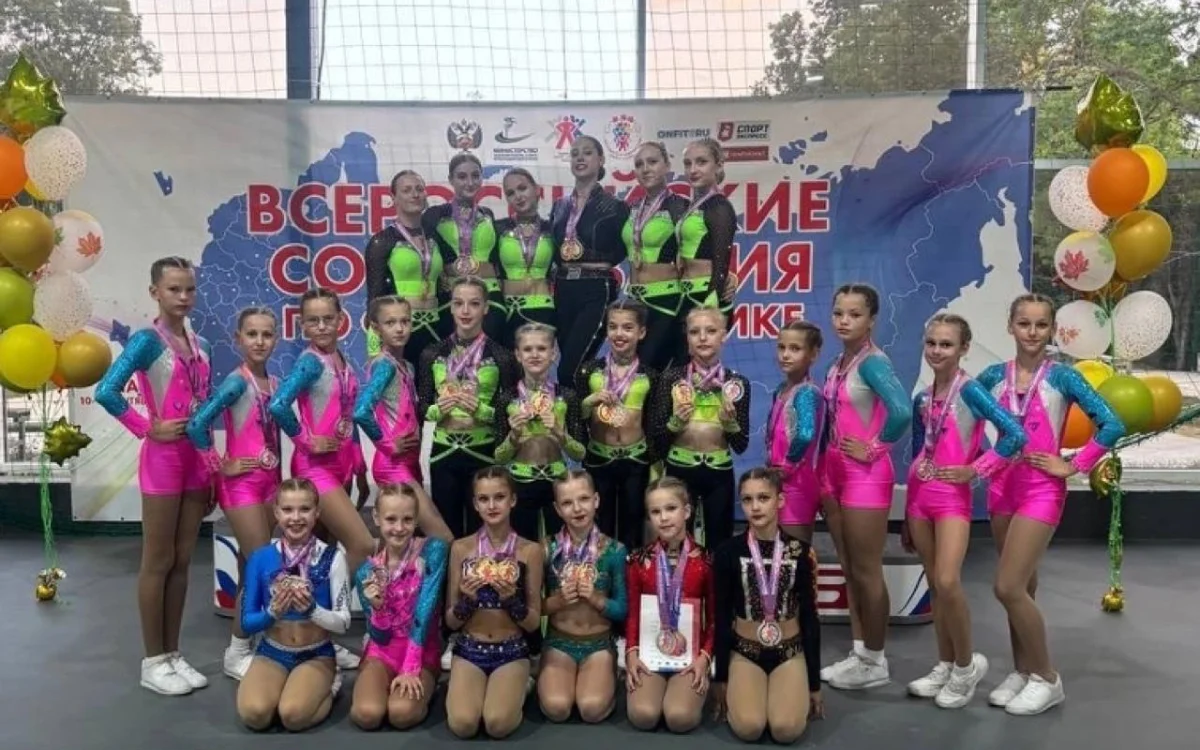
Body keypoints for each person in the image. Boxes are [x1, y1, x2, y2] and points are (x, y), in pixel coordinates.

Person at [976, 293, 1125, 715]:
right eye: (1024, 323)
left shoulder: (1063, 378)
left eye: (1041, 325)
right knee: (1023, 586)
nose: (1032, 332)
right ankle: (1022, 670)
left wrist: (1074, 464)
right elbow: (963, 420)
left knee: (1006, 587)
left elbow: (1113, 423)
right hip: (1002, 488)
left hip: (1041, 490)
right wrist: (978, 464)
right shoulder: (993, 376)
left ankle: (1046, 677)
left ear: (1053, 330)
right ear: (1010, 326)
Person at [95, 256, 215, 695]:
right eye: (173, 289)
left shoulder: (201, 344)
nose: (183, 297)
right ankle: (153, 660)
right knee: (157, 560)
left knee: (182, 560)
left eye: (189, 289)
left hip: (195, 460)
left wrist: (211, 463)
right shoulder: (147, 341)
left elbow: (204, 407)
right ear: (155, 293)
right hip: (163, 459)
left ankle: (173, 653)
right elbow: (107, 390)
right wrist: (147, 427)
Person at [904, 313, 1027, 708]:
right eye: (932, 343)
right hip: (919, 498)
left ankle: (965, 666)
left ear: (964, 349)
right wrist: (906, 510)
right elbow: (918, 451)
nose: (937, 351)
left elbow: (1014, 434)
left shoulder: (971, 391)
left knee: (948, 580)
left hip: (952, 500)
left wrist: (976, 469)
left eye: (946, 344)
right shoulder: (922, 399)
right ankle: (944, 663)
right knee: (934, 585)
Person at [267, 288, 372, 672]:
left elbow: (349, 415)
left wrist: (359, 464)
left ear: (341, 319)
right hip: (315, 468)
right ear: (303, 325)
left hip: (341, 465)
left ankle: (318, 641)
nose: (322, 326)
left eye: (328, 318)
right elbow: (278, 404)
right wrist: (306, 439)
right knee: (362, 544)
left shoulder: (342, 358)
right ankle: (338, 626)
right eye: (313, 320)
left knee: (321, 556)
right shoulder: (310, 363)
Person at [819, 283, 912, 691]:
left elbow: (901, 411)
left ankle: (876, 659)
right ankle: (860, 653)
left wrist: (874, 448)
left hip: (865, 475)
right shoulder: (838, 362)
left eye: (854, 314)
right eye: (839, 313)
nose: (844, 321)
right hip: (836, 471)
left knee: (867, 570)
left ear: (872, 320)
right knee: (850, 568)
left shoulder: (872, 363)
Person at [185, 306, 281, 680]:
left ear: (275, 339)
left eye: (267, 334)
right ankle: (236, 650)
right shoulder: (236, 382)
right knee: (261, 565)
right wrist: (219, 464)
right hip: (241, 486)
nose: (260, 341)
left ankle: (252, 641)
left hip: (270, 482)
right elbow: (197, 424)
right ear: (238, 339)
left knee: (248, 568)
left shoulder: (274, 383)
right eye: (252, 334)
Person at [712, 468, 822, 743]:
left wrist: (814, 683)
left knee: (786, 730)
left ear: (780, 500)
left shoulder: (801, 552)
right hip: (745, 650)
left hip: (789, 650)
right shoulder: (727, 552)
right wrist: (721, 677)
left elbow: (810, 618)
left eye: (763, 498)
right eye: (747, 500)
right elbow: (721, 616)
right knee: (750, 728)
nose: (755, 507)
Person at [236, 478, 351, 731]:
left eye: (305, 509)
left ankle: (331, 685)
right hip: (272, 651)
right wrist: (272, 613)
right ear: (276, 512)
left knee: (293, 716)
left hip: (315, 653)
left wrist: (313, 611)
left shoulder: (333, 558)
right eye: (288, 510)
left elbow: (343, 623)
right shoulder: (260, 558)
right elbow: (247, 622)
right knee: (255, 716)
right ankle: (290, 689)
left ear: (317, 513)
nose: (296, 518)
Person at [444, 467, 544, 739]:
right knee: (463, 725)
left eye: (499, 497)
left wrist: (512, 600)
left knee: (497, 725)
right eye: (484, 499)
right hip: (469, 648)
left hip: (512, 649)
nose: (492, 505)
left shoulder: (530, 551)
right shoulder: (461, 548)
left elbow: (533, 623)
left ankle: (523, 683)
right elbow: (450, 621)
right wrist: (466, 601)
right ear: (475, 504)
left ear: (513, 500)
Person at [418, 277, 520, 537]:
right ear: (450, 307)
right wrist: (438, 410)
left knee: (484, 532)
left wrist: (482, 411)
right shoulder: (431, 353)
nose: (465, 311)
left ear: (486, 308)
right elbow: (423, 408)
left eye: (474, 304)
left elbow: (511, 412)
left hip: (483, 454)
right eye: (458, 303)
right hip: (443, 454)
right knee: (446, 534)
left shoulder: (502, 356)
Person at [649, 306, 751, 550]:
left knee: (720, 544)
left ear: (723, 336)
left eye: (711, 331)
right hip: (679, 471)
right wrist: (675, 423)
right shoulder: (671, 379)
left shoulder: (737, 383)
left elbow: (741, 445)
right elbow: (656, 443)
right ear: (687, 338)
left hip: (719, 473)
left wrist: (730, 424)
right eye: (695, 332)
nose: (703, 337)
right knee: (677, 543)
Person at [354, 295, 454, 539]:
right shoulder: (384, 365)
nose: (399, 328)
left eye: (405, 321)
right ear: (376, 328)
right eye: (390, 323)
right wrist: (387, 444)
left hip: (410, 461)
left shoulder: (406, 366)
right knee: (443, 538)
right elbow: (361, 410)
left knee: (411, 541)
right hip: (393, 464)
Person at [350, 483, 449, 730]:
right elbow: (379, 637)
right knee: (367, 715)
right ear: (376, 518)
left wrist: (411, 667)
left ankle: (429, 685)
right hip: (382, 652)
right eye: (391, 519)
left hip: (421, 651)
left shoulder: (433, 551)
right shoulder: (366, 572)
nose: (399, 528)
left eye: (407, 519)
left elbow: (425, 612)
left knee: (401, 714)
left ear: (416, 520)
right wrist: (378, 608)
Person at [538, 470, 628, 724]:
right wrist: (557, 601)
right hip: (558, 643)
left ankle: (610, 671)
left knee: (591, 710)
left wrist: (598, 599)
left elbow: (623, 609)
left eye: (584, 499)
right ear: (557, 509)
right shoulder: (546, 549)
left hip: (599, 644)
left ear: (596, 500)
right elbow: (530, 610)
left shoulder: (615, 550)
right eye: (567, 503)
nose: (577, 508)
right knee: (557, 709)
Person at [625, 476, 714, 733]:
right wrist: (631, 654)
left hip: (690, 656)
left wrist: (704, 658)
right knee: (644, 716)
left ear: (686, 511)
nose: (663, 517)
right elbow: (633, 613)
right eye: (655, 511)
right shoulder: (638, 560)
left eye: (671, 508)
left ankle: (692, 688)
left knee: (679, 718)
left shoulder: (707, 561)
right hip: (650, 653)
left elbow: (715, 617)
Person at [576, 300, 658, 549]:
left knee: (634, 525)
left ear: (641, 332)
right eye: (613, 327)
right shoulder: (589, 371)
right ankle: (601, 571)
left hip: (636, 461)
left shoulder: (651, 375)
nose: (619, 334)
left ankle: (633, 570)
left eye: (627, 328)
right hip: (599, 459)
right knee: (601, 526)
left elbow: (653, 422)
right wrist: (588, 402)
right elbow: (576, 418)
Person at [551, 134, 631, 384]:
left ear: (601, 159)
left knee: (569, 370)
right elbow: (554, 247)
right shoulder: (560, 205)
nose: (580, 158)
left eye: (587, 152)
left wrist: (598, 261)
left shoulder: (616, 206)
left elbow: (623, 249)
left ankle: (579, 409)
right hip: (564, 288)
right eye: (575, 153)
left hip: (596, 288)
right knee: (574, 365)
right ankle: (587, 406)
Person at [495, 322, 586, 540]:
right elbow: (499, 457)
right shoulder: (507, 398)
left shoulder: (567, 396)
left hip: (557, 482)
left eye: (542, 349)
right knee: (524, 547)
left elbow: (580, 454)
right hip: (520, 482)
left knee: (558, 545)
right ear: (518, 355)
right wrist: (514, 436)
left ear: (553, 354)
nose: (535, 355)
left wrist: (560, 433)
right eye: (528, 349)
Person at [623, 141, 690, 371]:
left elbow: (700, 251)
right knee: (635, 373)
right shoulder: (632, 208)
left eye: (652, 162)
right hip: (635, 302)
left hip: (666, 301)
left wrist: (728, 276)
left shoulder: (680, 206)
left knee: (651, 369)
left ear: (667, 165)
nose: (645, 169)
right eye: (639, 164)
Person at [364, 170, 442, 363]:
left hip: (438, 329)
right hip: (400, 333)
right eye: (407, 190)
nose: (415, 194)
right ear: (393, 198)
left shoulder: (435, 237)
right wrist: (374, 353)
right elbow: (375, 300)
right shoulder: (382, 241)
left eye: (419, 189)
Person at [425, 153, 504, 341]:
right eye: (462, 177)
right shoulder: (434, 215)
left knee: (490, 354)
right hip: (453, 297)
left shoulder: (487, 214)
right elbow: (431, 256)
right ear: (450, 179)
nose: (470, 182)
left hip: (489, 296)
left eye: (475, 176)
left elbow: (495, 260)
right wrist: (449, 270)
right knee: (454, 355)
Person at [675, 138, 738, 363]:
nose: (693, 170)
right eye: (688, 163)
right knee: (683, 368)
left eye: (701, 162)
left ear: (718, 165)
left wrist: (712, 303)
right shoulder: (694, 206)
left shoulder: (719, 206)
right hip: (688, 294)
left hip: (706, 295)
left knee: (699, 366)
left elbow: (722, 260)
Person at [767, 319, 825, 542]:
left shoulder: (807, 392)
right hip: (778, 480)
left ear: (813, 354)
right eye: (781, 347)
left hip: (797, 483)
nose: (785, 355)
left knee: (794, 553)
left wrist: (787, 467)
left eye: (795, 349)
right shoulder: (781, 390)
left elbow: (805, 434)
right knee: (777, 552)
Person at [495, 168, 555, 348]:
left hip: (544, 311)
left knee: (538, 363)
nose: (518, 196)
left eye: (522, 188)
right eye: (511, 193)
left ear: (536, 190)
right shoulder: (498, 228)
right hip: (508, 313)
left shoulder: (553, 228)